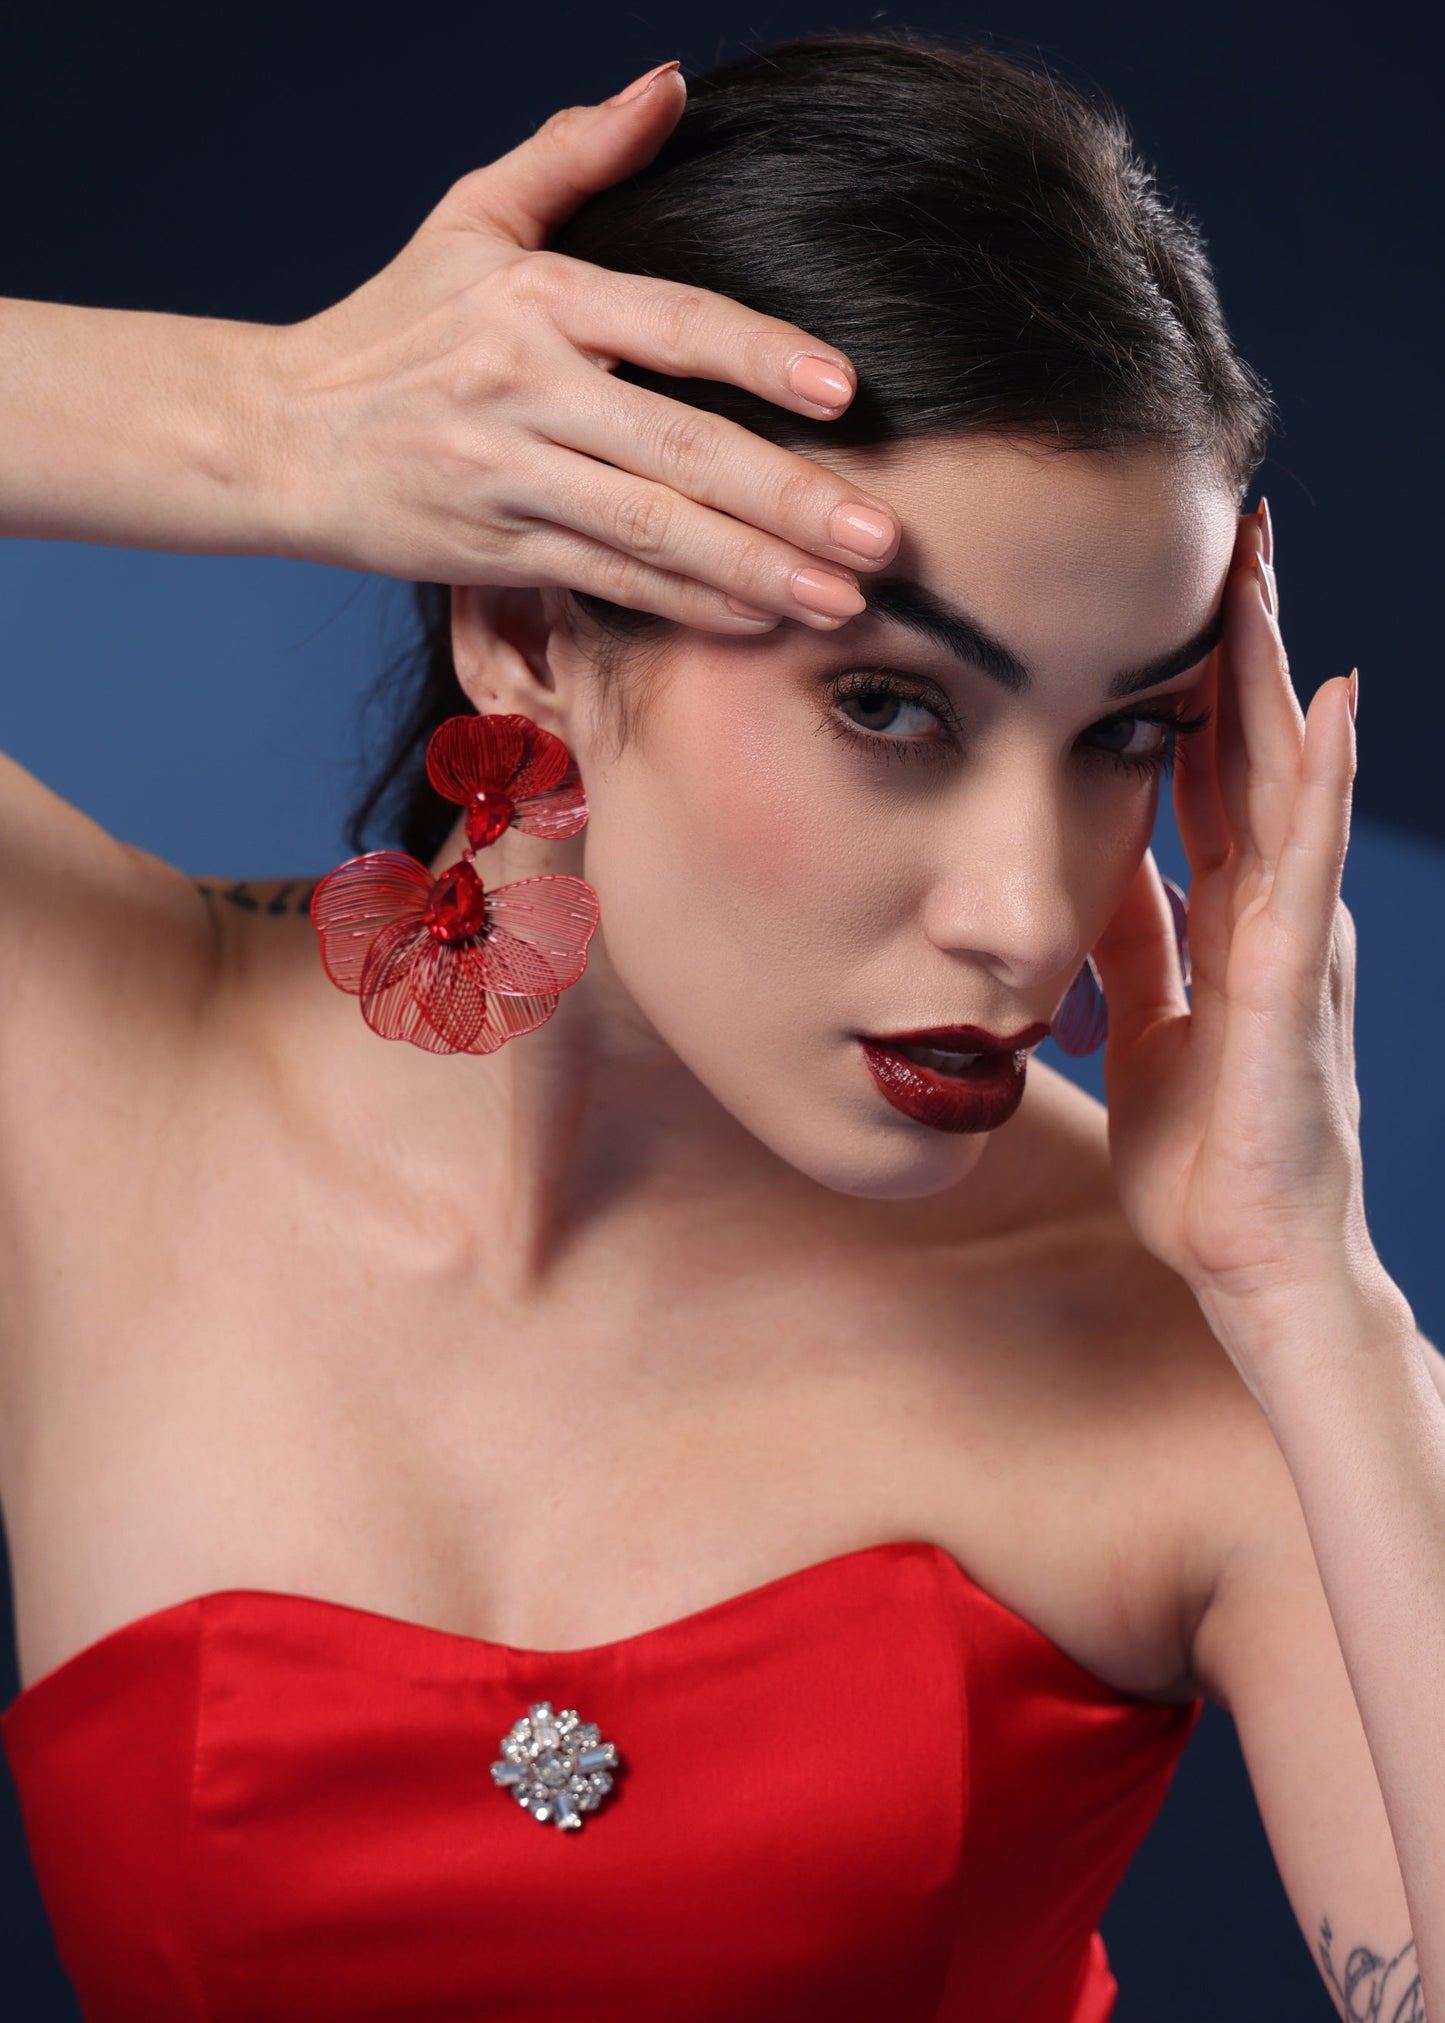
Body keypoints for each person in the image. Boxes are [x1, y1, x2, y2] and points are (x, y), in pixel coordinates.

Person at [1, 29, 1440, 2023]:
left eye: (1125, 731)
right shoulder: (81, 1075)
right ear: (525, 621)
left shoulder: (1187, 1334)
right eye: (888, 705)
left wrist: (1317, 1299)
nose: (1031, 921)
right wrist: (274, 420)